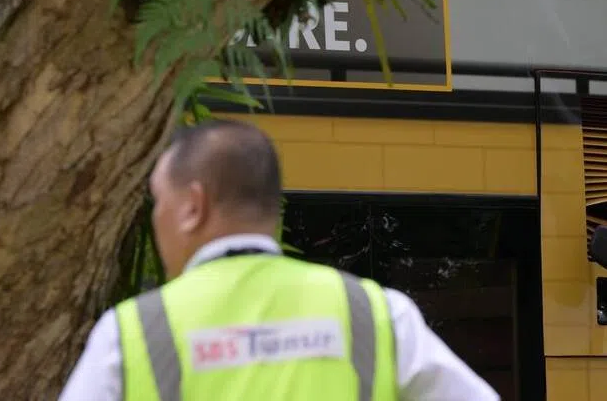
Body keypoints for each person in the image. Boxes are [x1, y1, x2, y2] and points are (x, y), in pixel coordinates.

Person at [58, 119, 499, 401]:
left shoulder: (133, 334)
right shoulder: (376, 315)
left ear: (193, 205)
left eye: (158, 201)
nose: (155, 219)